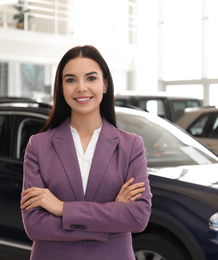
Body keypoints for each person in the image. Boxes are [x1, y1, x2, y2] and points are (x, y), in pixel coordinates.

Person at [20, 45, 152, 260]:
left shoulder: (131, 146)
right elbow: (35, 225)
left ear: (105, 84)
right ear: (61, 87)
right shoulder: (38, 145)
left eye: (91, 78)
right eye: (71, 80)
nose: (81, 87)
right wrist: (112, 215)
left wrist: (62, 209)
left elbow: (137, 217)